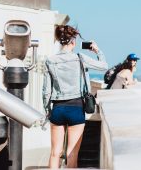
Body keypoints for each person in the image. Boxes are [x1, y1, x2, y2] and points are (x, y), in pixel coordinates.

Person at [42, 24, 108, 168]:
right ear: (73, 41)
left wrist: (47, 111)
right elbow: (104, 66)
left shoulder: (50, 60)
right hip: (76, 108)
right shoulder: (80, 58)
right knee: (72, 154)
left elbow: (46, 91)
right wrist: (97, 50)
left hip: (58, 109)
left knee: (55, 153)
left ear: (60, 40)